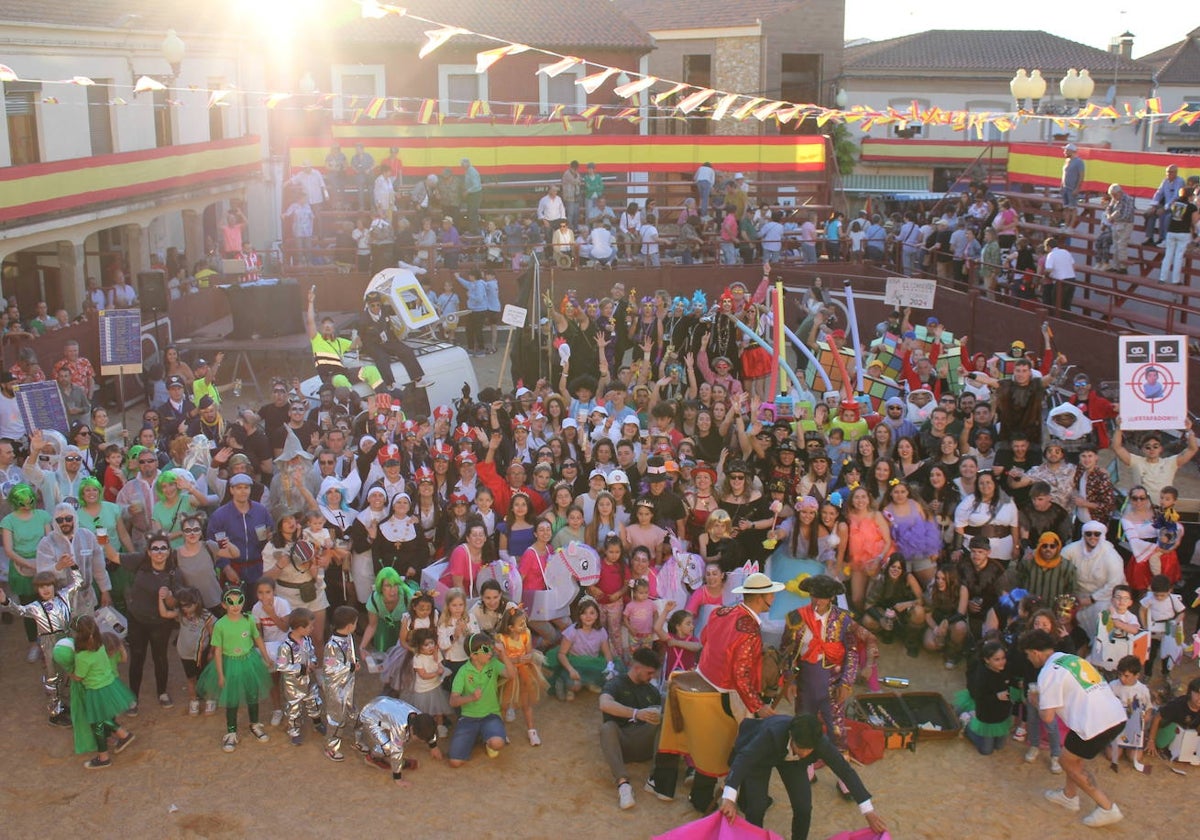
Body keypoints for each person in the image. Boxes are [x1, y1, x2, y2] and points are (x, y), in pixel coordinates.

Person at [651, 572, 784, 811]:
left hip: (703, 677)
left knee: (707, 747)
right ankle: (749, 799)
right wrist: (758, 706)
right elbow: (741, 675)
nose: (774, 597)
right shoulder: (750, 631)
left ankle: (700, 797)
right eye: (771, 593)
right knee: (748, 744)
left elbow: (704, 637)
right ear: (762, 598)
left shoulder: (721, 611)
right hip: (727, 691)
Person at [718, 713, 888, 840]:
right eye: (802, 747)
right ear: (791, 736)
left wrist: (868, 812)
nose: (806, 753)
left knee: (803, 807)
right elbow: (744, 759)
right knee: (756, 807)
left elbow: (845, 770)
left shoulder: (818, 743)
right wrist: (729, 798)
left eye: (810, 749)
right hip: (761, 759)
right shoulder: (771, 734)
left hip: (793, 763)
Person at [1020, 628, 1127, 828]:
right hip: (1114, 714)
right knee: (1071, 753)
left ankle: (1106, 807)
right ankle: (1069, 795)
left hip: (1095, 723)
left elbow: (1048, 716)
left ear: (1035, 652)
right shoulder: (1070, 658)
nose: (1028, 660)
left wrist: (1035, 701)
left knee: (1067, 762)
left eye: (1027, 655)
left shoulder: (1047, 674)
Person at [0, 565, 82, 725]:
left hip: (67, 637)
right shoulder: (36, 607)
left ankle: (67, 703)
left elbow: (78, 582)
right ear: (37, 590)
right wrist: (5, 601)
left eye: (48, 585)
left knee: (70, 671)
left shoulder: (64, 596)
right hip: (49, 643)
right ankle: (55, 713)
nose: (45, 589)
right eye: (41, 587)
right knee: (53, 677)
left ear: (54, 585)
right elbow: (19, 610)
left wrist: (73, 566)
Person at [196, 586, 273, 753]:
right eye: (231, 602)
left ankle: (255, 724)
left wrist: (266, 656)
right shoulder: (220, 625)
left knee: (252, 693)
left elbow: (257, 637)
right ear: (224, 605)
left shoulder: (249, 620)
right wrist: (221, 674)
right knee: (232, 698)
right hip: (230, 664)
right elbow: (217, 650)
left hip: (249, 661)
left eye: (239, 601)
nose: (236, 605)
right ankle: (231, 732)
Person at [598, 647, 662, 810]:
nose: (652, 677)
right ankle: (623, 785)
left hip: (644, 742)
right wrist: (636, 713)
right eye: (649, 673)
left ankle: (655, 777)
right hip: (621, 745)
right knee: (607, 728)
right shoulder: (616, 684)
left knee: (662, 722)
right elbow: (604, 704)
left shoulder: (652, 691)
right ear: (637, 668)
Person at [70, 614, 137, 769]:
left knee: (97, 722)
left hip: (96, 691)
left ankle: (105, 756)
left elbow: (79, 677)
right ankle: (122, 737)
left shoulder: (82, 656)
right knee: (100, 720)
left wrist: (70, 674)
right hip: (109, 685)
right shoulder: (100, 647)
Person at [448, 631, 515, 767]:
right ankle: (479, 736)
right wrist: (471, 697)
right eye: (485, 650)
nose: (490, 652)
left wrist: (503, 655)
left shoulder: (494, 664)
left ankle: (487, 740)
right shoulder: (463, 672)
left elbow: (511, 674)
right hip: (468, 718)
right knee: (455, 762)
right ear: (473, 655)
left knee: (497, 743)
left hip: (490, 715)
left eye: (490, 649)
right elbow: (453, 701)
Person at [353, 292, 435, 391]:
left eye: (378, 305)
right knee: (382, 357)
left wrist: (414, 304)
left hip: (387, 340)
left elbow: (399, 309)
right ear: (368, 305)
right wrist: (357, 341)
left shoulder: (384, 310)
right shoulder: (363, 319)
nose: (376, 308)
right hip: (372, 344)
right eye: (373, 306)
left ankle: (418, 379)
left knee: (406, 350)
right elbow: (358, 334)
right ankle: (390, 384)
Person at [356, 695, 442, 787]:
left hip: (381, 705)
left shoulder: (421, 717)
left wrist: (434, 746)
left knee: (402, 739)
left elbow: (429, 729)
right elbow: (396, 751)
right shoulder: (400, 726)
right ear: (412, 729)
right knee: (388, 748)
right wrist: (398, 778)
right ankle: (373, 758)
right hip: (369, 716)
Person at [274, 607, 326, 746]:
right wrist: (302, 668)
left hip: (308, 681)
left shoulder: (307, 640)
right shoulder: (285, 647)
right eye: (310, 626)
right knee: (294, 708)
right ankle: (294, 732)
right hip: (293, 685)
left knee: (314, 702)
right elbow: (281, 666)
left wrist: (314, 661)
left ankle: (317, 723)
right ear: (299, 627)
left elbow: (312, 653)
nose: (312, 628)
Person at [1111, 419, 1197, 499]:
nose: (1152, 449)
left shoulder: (1171, 463)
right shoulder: (1135, 461)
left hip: (1163, 508)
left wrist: (1189, 430)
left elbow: (1192, 449)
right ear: (1143, 450)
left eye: (1155, 446)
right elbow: (1117, 447)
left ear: (1160, 449)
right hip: (1141, 506)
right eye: (1148, 447)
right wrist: (1119, 428)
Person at [323, 604, 360, 761]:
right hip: (336, 688)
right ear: (350, 625)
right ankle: (331, 747)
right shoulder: (332, 645)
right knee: (336, 717)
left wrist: (354, 662)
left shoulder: (349, 638)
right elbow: (330, 668)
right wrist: (350, 666)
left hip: (348, 684)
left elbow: (349, 656)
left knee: (353, 712)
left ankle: (360, 740)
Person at [1061, 143, 1084, 229]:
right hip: (1065, 188)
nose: (1064, 152)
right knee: (1066, 208)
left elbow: (1081, 176)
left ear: (1072, 151)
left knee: (1072, 208)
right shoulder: (1067, 161)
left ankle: (1071, 226)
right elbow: (1064, 174)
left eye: (1066, 150)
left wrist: (1077, 188)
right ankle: (1066, 225)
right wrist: (1061, 185)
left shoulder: (1079, 162)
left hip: (1072, 188)